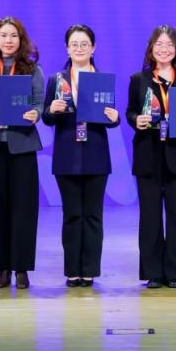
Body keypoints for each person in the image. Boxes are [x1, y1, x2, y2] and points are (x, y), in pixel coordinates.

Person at [43, 24, 120, 287]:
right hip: (67, 155)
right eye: (74, 44)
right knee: (72, 214)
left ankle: (90, 270)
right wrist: (51, 110)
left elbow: (111, 118)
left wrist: (115, 117)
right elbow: (46, 118)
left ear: (93, 48)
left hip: (96, 154)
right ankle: (72, 270)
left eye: (84, 44)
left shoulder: (101, 79)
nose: (79, 48)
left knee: (93, 215)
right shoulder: (57, 79)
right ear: (67, 48)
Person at [0, 16, 44, 290]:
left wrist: (34, 113)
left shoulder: (32, 69)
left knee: (24, 208)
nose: (8, 40)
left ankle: (22, 268)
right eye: (3, 35)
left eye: (13, 35)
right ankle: (2, 268)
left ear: (21, 39)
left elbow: (38, 104)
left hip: (22, 144)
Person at [126, 25, 176, 289]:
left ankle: (175, 271)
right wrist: (136, 120)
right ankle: (153, 271)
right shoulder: (139, 79)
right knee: (150, 215)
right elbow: (130, 111)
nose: (164, 49)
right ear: (151, 49)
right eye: (159, 44)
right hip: (147, 153)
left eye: (169, 45)